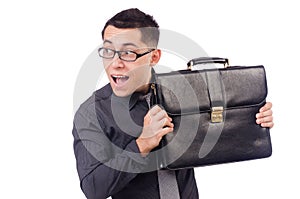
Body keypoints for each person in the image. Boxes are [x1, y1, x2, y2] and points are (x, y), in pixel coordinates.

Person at [72, 8, 274, 199]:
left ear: (154, 56)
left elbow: (215, 134)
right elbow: (93, 188)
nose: (115, 63)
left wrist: (251, 117)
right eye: (108, 51)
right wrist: (141, 145)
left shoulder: (183, 91)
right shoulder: (92, 113)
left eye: (128, 53)